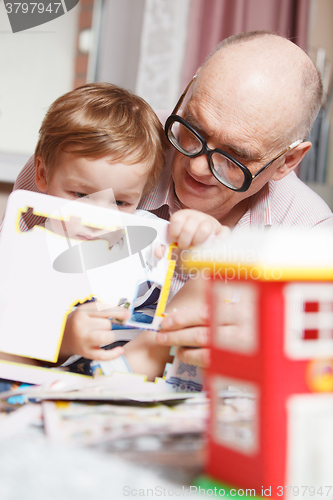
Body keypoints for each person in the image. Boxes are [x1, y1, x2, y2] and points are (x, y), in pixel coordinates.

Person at [5, 31, 333, 375]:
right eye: (194, 129)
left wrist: (264, 344)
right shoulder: (103, 146)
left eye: (234, 157)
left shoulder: (311, 233)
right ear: (188, 92)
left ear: (287, 162)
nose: (196, 166)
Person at [0, 82, 224, 382]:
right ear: (41, 174)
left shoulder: (150, 232)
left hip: (131, 363)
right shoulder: (27, 248)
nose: (99, 219)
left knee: (211, 281)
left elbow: (215, 264)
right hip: (50, 372)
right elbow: (17, 336)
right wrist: (64, 339)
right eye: (81, 194)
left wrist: (203, 235)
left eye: (120, 202)